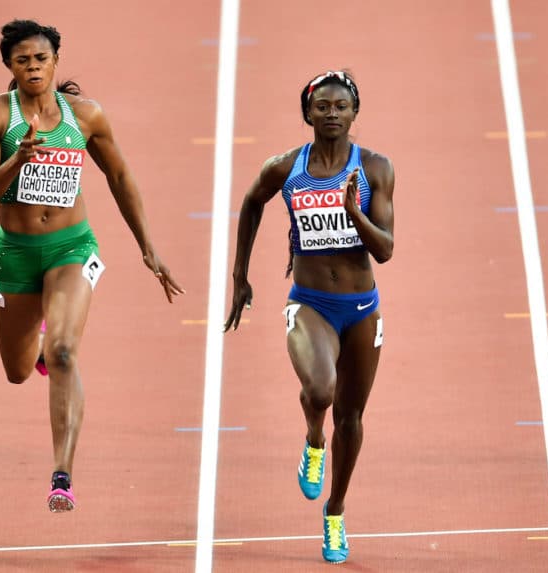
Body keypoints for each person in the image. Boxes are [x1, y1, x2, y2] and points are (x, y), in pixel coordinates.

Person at [0, 19, 184, 512]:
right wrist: (15, 162)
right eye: (22, 60)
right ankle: (41, 343)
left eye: (41, 58)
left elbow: (120, 175)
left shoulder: (85, 116)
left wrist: (147, 246)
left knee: (65, 352)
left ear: (55, 61)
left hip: (71, 247)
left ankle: (61, 474)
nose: (33, 67)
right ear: (9, 66)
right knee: (18, 372)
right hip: (16, 254)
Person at [224, 70, 395, 563]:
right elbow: (251, 204)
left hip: (362, 308)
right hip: (310, 303)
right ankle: (313, 440)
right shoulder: (286, 168)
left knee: (353, 416)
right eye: (323, 106)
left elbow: (385, 250)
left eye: (342, 106)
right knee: (321, 391)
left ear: (355, 112)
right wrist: (241, 276)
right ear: (308, 113)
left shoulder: (375, 169)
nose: (333, 114)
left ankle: (335, 514)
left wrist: (354, 213)